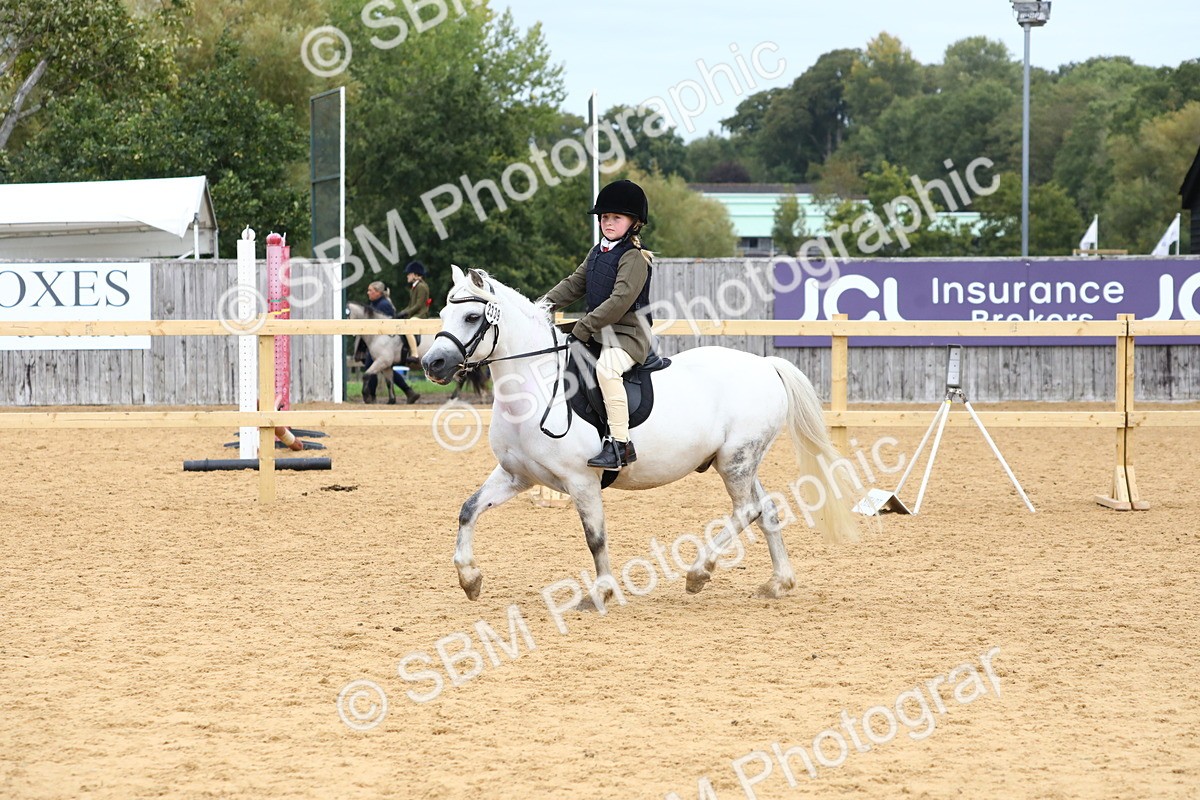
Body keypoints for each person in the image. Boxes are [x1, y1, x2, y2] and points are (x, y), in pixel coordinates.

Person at [543, 179, 654, 470]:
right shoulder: (597, 253)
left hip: (629, 336)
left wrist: (583, 327)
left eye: (616, 217)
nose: (608, 222)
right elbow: (573, 285)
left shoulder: (635, 259)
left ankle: (620, 444)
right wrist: (541, 307)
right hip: (600, 332)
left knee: (606, 369)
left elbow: (618, 302)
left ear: (634, 223)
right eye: (605, 217)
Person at [358, 280, 420, 404]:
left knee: (372, 369)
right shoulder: (376, 303)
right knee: (381, 368)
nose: (368, 292)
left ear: (378, 292)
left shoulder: (383, 305)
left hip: (384, 343)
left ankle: (371, 396)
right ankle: (406, 392)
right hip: (379, 342)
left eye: (371, 290)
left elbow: (387, 322)